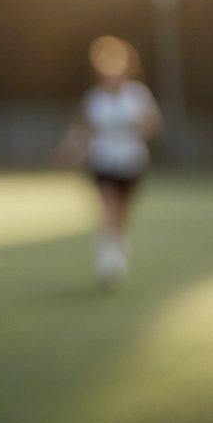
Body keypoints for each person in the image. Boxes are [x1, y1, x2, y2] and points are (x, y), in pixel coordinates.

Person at [58, 35, 163, 287]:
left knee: (122, 213)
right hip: (103, 159)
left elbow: (154, 124)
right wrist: (71, 149)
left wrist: (142, 126)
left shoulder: (138, 95)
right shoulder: (94, 99)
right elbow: (83, 129)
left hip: (131, 160)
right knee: (109, 208)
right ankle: (109, 260)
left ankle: (116, 245)